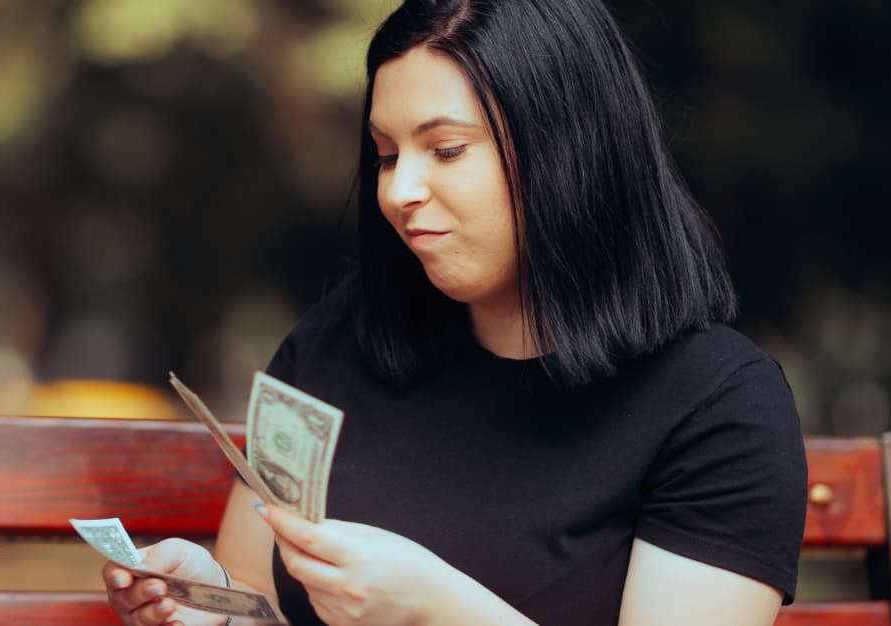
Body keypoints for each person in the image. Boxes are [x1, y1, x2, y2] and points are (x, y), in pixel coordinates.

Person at [100, 0, 809, 623]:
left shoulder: (718, 407)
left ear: (571, 150)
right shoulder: (339, 342)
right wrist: (213, 606)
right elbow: (260, 596)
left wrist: (435, 610)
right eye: (384, 154)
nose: (399, 190)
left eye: (445, 149)